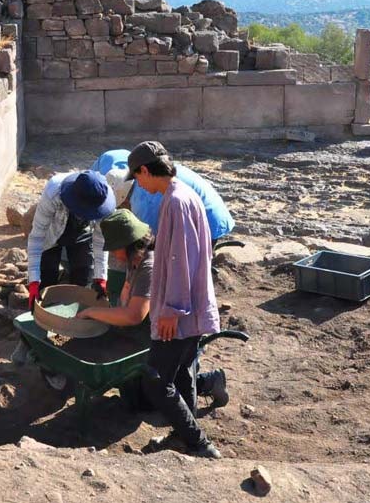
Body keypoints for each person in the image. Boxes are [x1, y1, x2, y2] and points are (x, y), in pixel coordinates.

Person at [126, 141, 223, 459]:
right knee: (181, 372)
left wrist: (172, 309)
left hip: (179, 310)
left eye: (137, 177)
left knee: (156, 381)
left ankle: (198, 442)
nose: (138, 184)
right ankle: (184, 437)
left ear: (144, 170)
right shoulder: (181, 194)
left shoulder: (177, 202)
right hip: (190, 306)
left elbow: (181, 260)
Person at [79, 210, 228, 408]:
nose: (113, 254)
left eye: (115, 248)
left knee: (155, 393)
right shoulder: (136, 258)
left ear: (127, 244)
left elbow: (134, 316)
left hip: (177, 329)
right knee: (135, 398)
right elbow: (127, 295)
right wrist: (110, 311)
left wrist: (91, 312)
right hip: (156, 326)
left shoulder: (149, 266)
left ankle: (209, 381)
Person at [91, 149, 233, 241]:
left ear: (125, 200)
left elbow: (152, 243)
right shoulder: (121, 161)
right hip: (215, 211)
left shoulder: (145, 202)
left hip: (208, 226)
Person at [25, 170, 114, 309]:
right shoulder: (53, 193)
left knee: (83, 278)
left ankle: (77, 313)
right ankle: (45, 312)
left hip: (83, 232)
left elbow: (100, 240)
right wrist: (34, 281)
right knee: (46, 279)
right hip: (52, 232)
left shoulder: (102, 199)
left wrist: (101, 277)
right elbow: (37, 237)